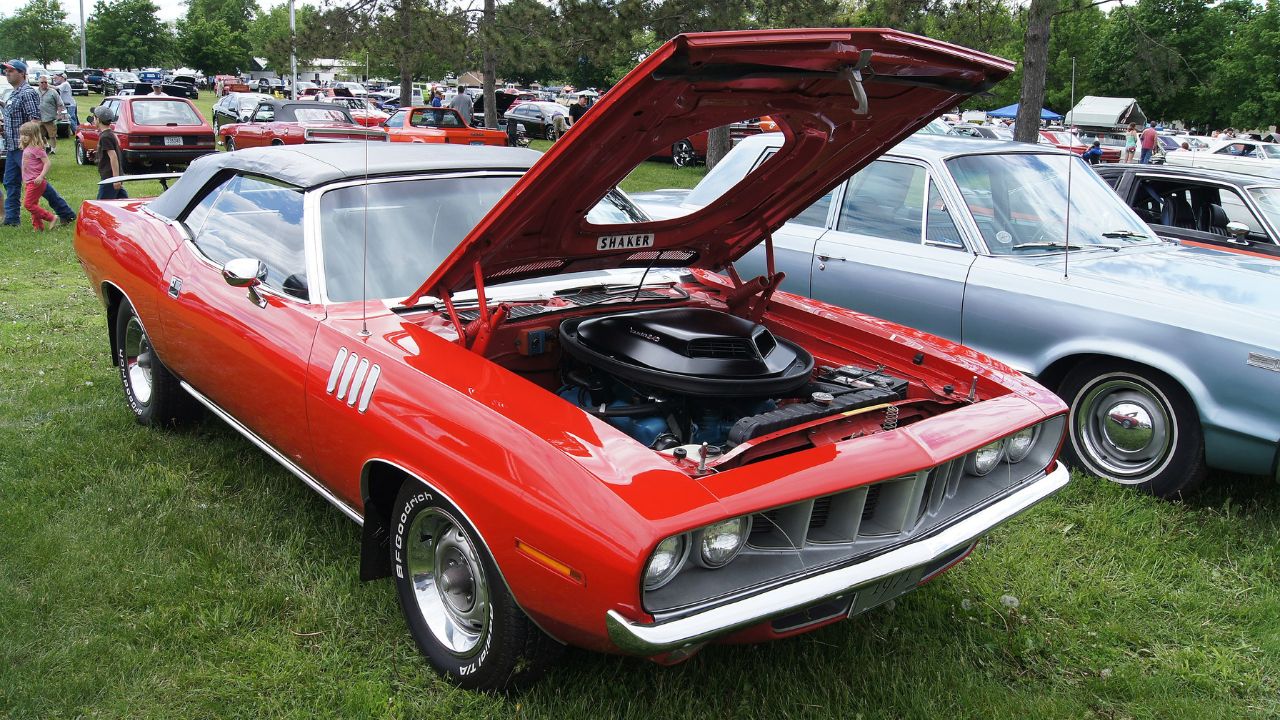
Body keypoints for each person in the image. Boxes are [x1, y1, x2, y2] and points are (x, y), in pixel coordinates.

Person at [2, 60, 76, 228]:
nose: (7, 73)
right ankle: (12, 218)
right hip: (13, 146)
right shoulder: (14, 93)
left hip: (25, 148)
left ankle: (65, 213)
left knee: (38, 183)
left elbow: (35, 119)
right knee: (10, 182)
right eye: (6, 70)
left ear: (21, 73)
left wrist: (32, 144)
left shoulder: (27, 92)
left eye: (11, 70)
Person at [18, 121, 56, 231]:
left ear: (34, 135)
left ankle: (51, 217)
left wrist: (41, 176)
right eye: (22, 134)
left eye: (27, 135)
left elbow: (47, 163)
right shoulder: (26, 148)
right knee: (34, 204)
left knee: (28, 204)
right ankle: (38, 227)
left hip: (36, 181)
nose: (23, 137)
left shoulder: (37, 148)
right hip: (29, 181)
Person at [92, 106, 127, 200]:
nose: (93, 119)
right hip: (113, 176)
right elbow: (107, 155)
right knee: (123, 203)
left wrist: (115, 179)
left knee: (101, 205)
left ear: (98, 119)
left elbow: (113, 157)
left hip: (110, 178)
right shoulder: (110, 134)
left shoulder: (105, 137)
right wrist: (95, 155)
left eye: (94, 117)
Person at [36, 75, 64, 153]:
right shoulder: (35, 92)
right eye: (42, 82)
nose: (44, 84)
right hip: (39, 118)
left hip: (50, 118)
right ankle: (46, 145)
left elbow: (60, 104)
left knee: (52, 135)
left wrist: (59, 114)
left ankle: (53, 149)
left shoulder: (53, 92)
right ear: (39, 83)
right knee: (40, 135)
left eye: (45, 82)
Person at [53, 72, 78, 138]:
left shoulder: (65, 84)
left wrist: (46, 85)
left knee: (70, 118)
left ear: (62, 78)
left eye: (58, 77)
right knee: (73, 118)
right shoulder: (63, 84)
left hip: (70, 105)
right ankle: (75, 131)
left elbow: (56, 88)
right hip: (68, 104)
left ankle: (76, 132)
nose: (56, 78)